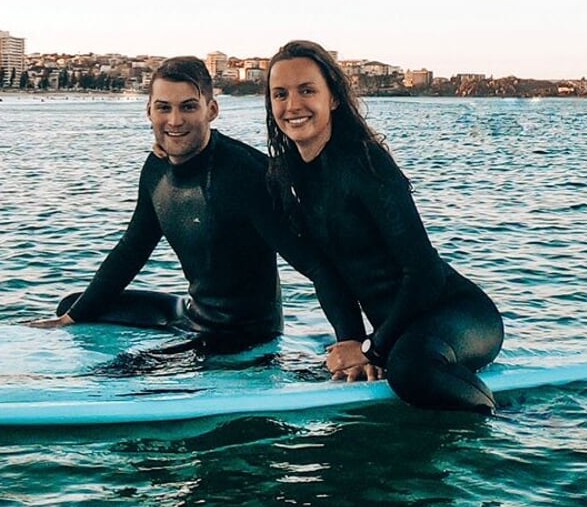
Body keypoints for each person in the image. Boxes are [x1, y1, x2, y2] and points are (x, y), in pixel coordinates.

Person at [31, 56, 368, 356]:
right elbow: (131, 250)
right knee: (75, 305)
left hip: (242, 333)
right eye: (164, 107)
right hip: (193, 314)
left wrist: (351, 340)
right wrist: (70, 320)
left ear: (212, 110)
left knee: (120, 373)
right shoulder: (156, 169)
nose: (175, 120)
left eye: (188, 107)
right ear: (149, 111)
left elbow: (316, 264)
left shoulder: (247, 176)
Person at [264, 39, 504, 412]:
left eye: (307, 90)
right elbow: (326, 272)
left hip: (459, 316)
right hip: (399, 333)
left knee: (409, 370)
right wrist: (351, 345)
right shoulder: (285, 174)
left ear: (333, 99)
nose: (292, 105)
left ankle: (514, 417)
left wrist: (374, 348)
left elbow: (424, 272)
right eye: (280, 94)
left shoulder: (365, 165)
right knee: (388, 362)